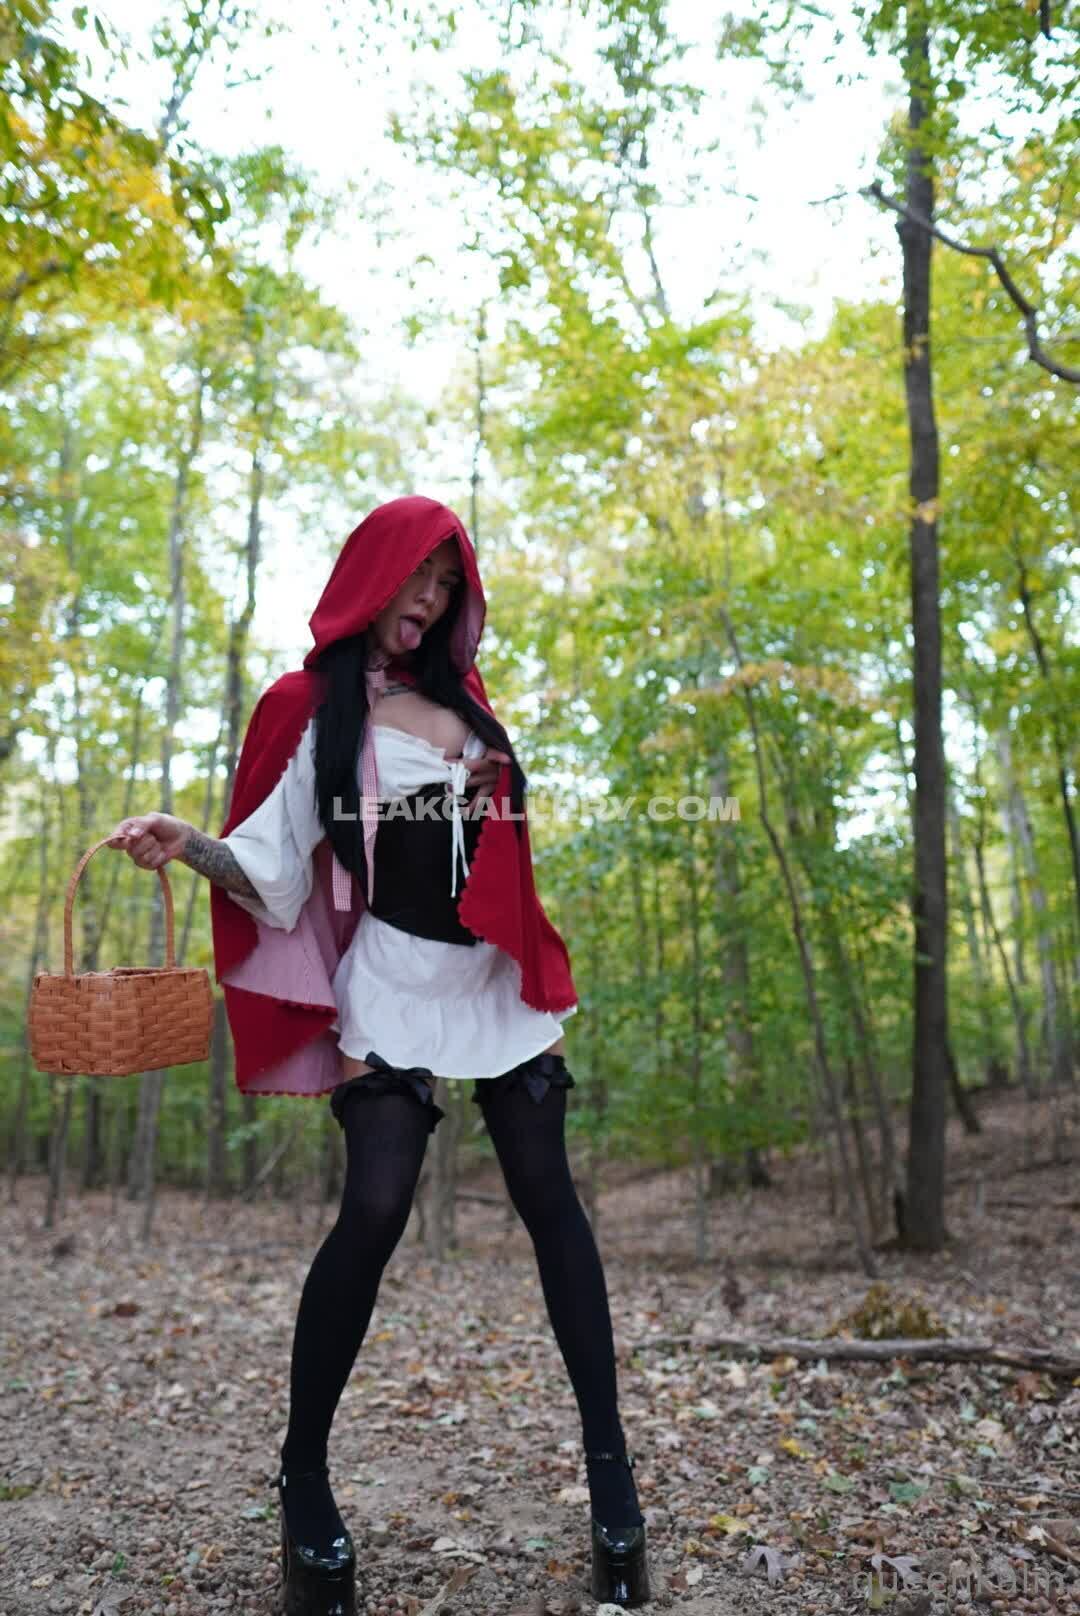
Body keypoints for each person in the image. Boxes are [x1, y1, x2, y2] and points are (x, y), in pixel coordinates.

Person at [107, 495, 651, 1613]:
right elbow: (273, 868)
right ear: (376, 572)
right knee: (375, 1206)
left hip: (491, 977)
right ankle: (304, 1482)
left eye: (450, 586)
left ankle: (614, 1486)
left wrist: (496, 800)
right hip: (394, 977)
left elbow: (504, 845)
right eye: (420, 578)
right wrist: (186, 841)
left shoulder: (469, 701)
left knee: (553, 1203)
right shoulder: (319, 711)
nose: (433, 600)